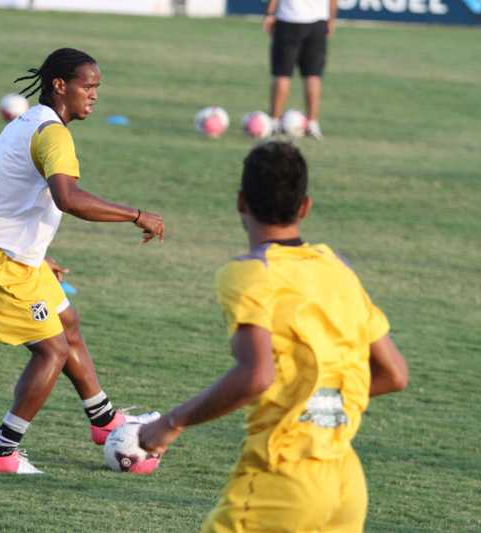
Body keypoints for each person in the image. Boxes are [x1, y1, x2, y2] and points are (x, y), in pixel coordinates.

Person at [139, 140, 408, 532]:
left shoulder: (248, 273)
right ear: (305, 206)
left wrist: (172, 422)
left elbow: (256, 374)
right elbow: (394, 373)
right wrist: (316, 403)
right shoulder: (337, 267)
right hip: (346, 483)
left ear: (240, 202)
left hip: (283, 480)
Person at [0, 48, 165, 474]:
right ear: (59, 85)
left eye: (97, 88)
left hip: (16, 256)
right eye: (87, 87)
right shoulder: (52, 134)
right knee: (51, 351)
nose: (93, 95)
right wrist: (136, 214)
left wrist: (35, 252)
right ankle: (1, 452)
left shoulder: (28, 121)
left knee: (68, 323)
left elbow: (6, 191)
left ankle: (105, 424)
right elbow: (67, 199)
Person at [263, 0, 338, 139]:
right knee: (313, 75)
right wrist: (331, 20)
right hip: (317, 21)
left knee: (282, 74)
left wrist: (269, 13)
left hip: (289, 19)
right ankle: (312, 123)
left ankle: (274, 122)